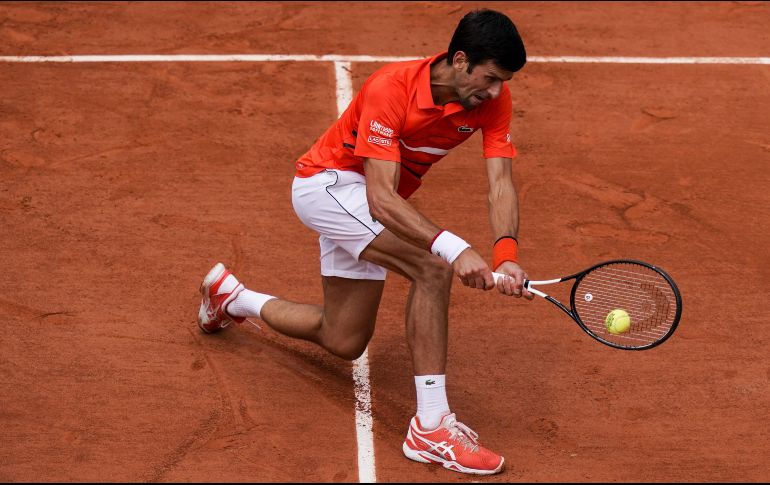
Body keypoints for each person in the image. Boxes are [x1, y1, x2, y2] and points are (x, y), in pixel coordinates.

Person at [197, 8, 533, 476]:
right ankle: (431, 426)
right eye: (491, 78)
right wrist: (455, 249)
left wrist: (506, 254)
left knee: (344, 338)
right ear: (460, 60)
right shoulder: (391, 88)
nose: (496, 92)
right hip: (327, 186)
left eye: (503, 82)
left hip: (365, 201)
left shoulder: (492, 101)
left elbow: (500, 183)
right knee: (432, 267)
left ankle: (231, 298)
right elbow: (380, 199)